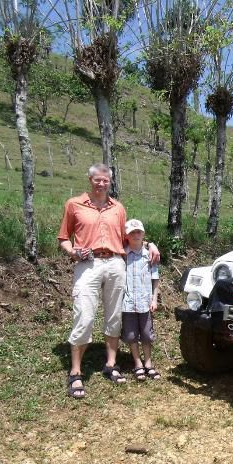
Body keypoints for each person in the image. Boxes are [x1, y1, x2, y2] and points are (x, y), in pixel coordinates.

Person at [58, 164, 159, 399]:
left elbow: (128, 238)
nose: (101, 184)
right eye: (97, 180)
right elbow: (63, 237)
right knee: (84, 315)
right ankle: (75, 371)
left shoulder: (118, 208)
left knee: (114, 316)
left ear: (110, 182)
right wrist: (72, 252)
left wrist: (149, 244)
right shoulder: (74, 204)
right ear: (90, 180)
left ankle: (111, 364)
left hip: (115, 263)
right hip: (88, 264)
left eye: (105, 180)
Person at [122, 219, 161, 381]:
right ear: (126, 236)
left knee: (146, 334)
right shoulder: (122, 255)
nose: (135, 235)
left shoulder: (149, 255)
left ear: (143, 234)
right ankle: (137, 363)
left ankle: (148, 363)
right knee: (131, 335)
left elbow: (155, 278)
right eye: (132, 232)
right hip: (127, 303)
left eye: (138, 232)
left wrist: (154, 299)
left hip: (145, 303)